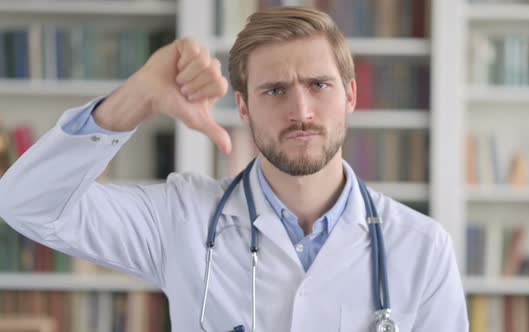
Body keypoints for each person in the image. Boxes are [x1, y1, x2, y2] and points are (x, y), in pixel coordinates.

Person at [0, 6, 468, 332]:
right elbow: (26, 203)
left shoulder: (422, 248)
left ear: (349, 95)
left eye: (319, 85)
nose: (301, 110)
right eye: (275, 90)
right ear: (242, 107)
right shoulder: (181, 219)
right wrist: (136, 100)